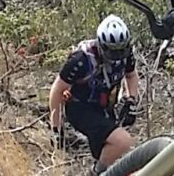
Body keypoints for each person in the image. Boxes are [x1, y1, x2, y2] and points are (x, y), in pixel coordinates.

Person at [50, 14, 142, 167]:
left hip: (105, 106)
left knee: (108, 154)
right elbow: (57, 89)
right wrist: (56, 128)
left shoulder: (125, 55)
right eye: (112, 52)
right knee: (122, 141)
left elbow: (131, 75)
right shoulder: (81, 60)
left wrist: (131, 99)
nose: (117, 57)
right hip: (81, 109)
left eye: (121, 51)